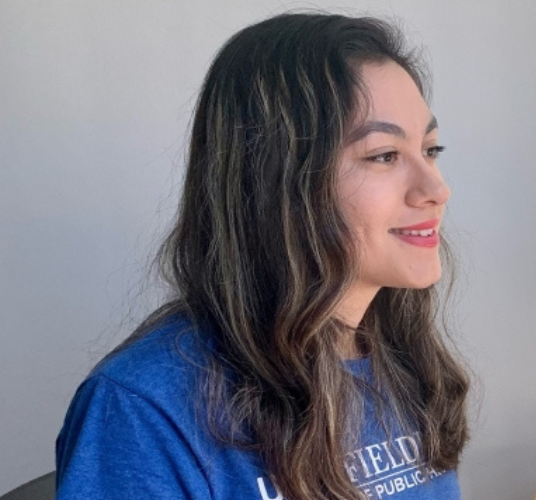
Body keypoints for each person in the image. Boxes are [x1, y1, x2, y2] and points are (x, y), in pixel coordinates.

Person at [54, 12, 469, 500]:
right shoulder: (143, 409)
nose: (435, 189)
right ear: (277, 181)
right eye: (383, 155)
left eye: (431, 148)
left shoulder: (401, 360)